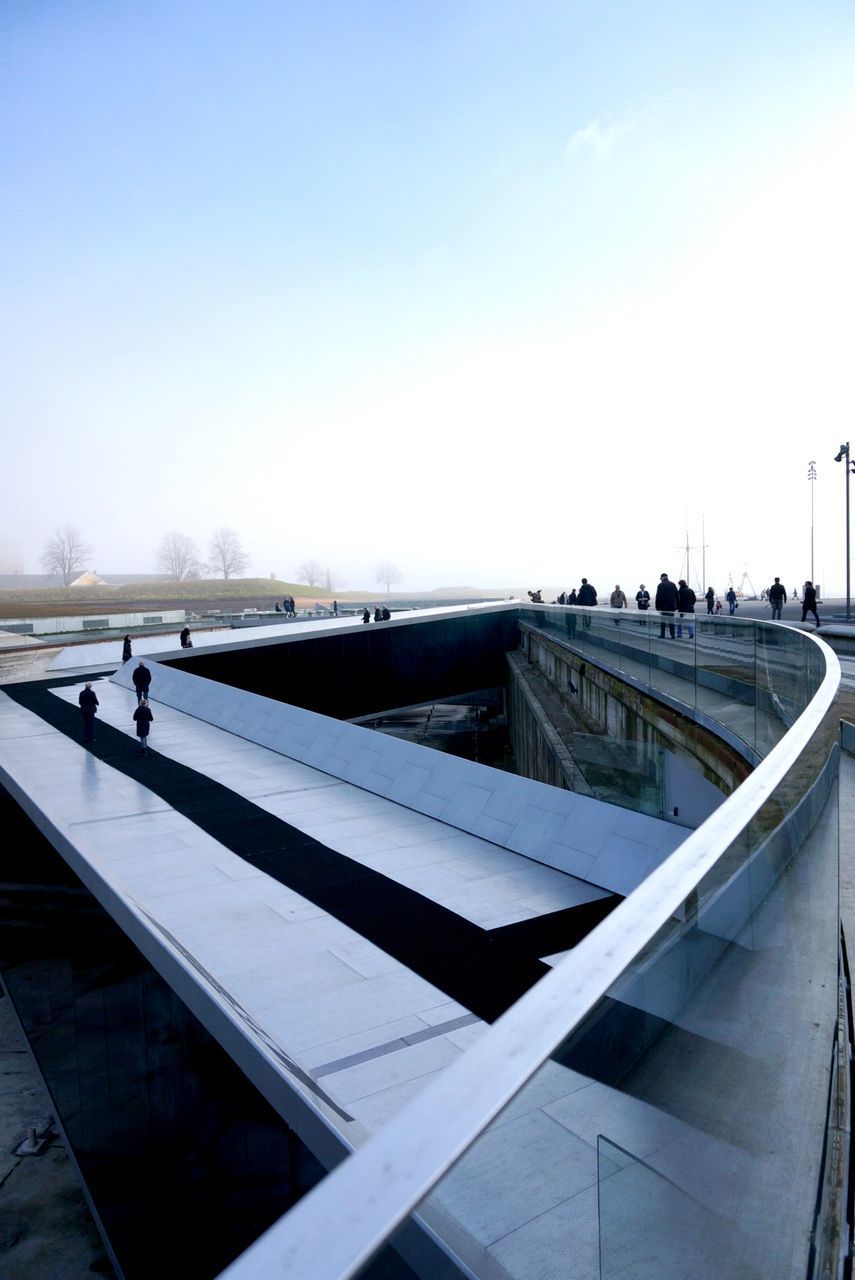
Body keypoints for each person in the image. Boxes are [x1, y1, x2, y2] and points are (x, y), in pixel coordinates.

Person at [655, 573, 679, 638]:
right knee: (671, 621)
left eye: (660, 578)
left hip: (663, 607)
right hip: (671, 607)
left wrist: (657, 607)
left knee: (663, 622)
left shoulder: (660, 585)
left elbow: (658, 597)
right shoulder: (673, 584)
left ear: (662, 578)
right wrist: (677, 605)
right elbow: (677, 595)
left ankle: (663, 635)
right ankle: (673, 635)